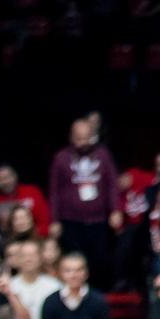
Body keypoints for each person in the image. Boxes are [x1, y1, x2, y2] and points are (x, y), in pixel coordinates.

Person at [48, 119, 122, 288]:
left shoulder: (103, 154)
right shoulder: (61, 158)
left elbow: (112, 184)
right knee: (74, 259)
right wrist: (54, 220)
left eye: (87, 138)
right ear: (71, 137)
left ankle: (99, 294)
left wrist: (115, 210)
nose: (83, 143)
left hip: (99, 220)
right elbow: (54, 191)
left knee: (100, 260)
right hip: (71, 221)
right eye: (79, 138)